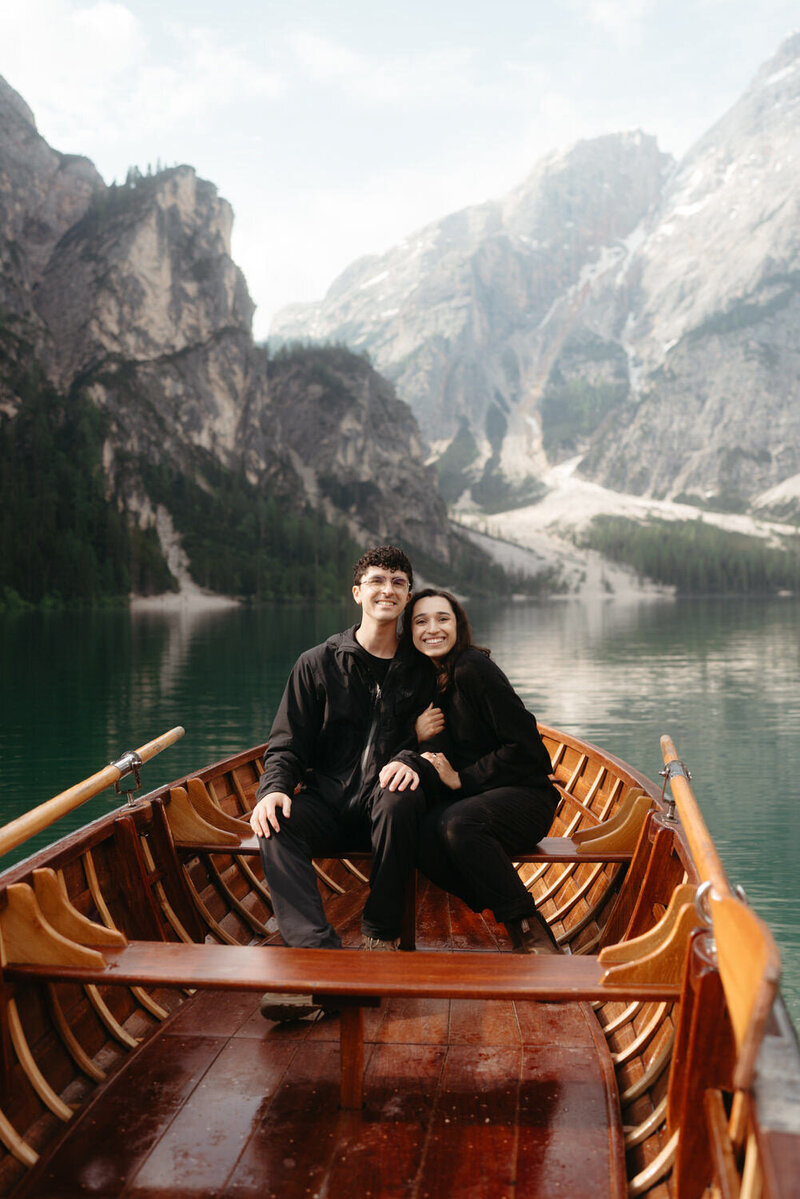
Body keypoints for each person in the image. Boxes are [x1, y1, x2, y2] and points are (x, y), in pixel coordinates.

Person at [250, 546, 436, 1021]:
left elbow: (448, 739)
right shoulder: (317, 663)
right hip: (328, 803)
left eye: (397, 582)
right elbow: (287, 744)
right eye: (376, 580)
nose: (387, 590)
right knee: (274, 824)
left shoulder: (424, 670)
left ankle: (379, 937)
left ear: (408, 595)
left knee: (400, 797)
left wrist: (412, 756)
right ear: (358, 593)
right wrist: (272, 789)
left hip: (386, 807)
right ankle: (320, 960)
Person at [406, 588, 561, 954]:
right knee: (419, 833)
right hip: (478, 802)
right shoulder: (425, 679)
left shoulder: (472, 668)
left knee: (459, 823)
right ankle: (499, 901)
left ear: (458, 625)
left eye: (443, 619)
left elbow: (528, 750)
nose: (433, 629)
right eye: (421, 621)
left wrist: (464, 778)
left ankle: (528, 928)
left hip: (527, 798)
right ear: (409, 632)